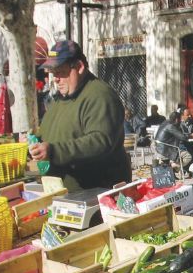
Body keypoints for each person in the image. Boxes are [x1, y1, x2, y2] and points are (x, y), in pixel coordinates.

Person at [29, 40, 131, 191]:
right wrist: (34, 143)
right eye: (53, 73)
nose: (56, 79)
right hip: (63, 193)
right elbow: (52, 134)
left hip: (95, 193)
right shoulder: (61, 98)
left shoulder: (100, 95)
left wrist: (53, 151)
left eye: (60, 72)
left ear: (79, 67)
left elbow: (100, 141)